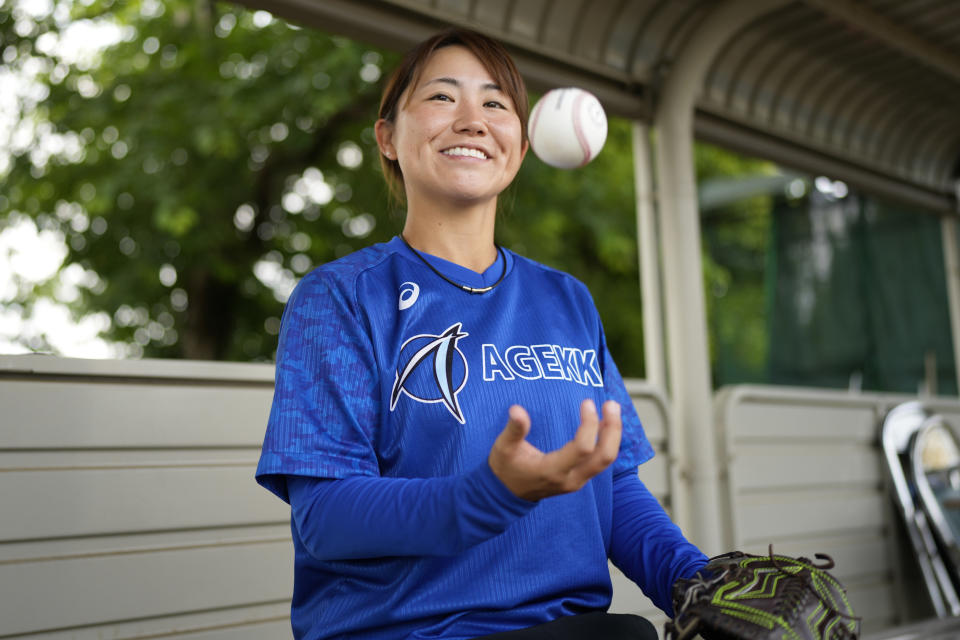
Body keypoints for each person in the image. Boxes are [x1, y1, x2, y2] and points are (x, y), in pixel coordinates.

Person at [255, 27, 708, 640]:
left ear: (519, 148)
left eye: (496, 104)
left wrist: (696, 583)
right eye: (442, 97)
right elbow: (326, 518)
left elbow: (612, 487)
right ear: (388, 138)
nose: (472, 120)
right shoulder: (339, 297)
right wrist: (489, 494)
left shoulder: (567, 300)